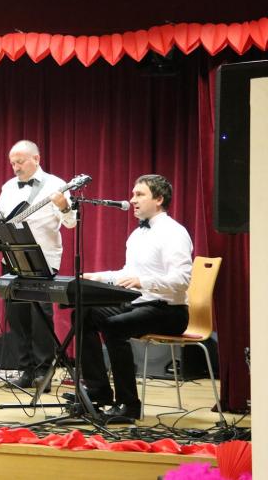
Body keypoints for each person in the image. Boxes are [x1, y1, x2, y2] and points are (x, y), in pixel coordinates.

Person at [80, 174, 192, 422]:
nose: (132, 200)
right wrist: (97, 277)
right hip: (139, 304)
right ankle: (99, 391)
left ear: (159, 199)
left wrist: (145, 281)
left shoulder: (174, 232)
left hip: (169, 311)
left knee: (114, 326)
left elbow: (182, 280)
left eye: (139, 195)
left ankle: (129, 404)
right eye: (133, 195)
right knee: (85, 313)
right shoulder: (136, 235)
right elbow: (127, 273)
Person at [0, 140, 76, 392]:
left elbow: (70, 222)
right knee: (17, 316)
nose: (15, 167)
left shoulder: (56, 185)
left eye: (20, 162)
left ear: (36, 159)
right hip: (12, 257)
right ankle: (26, 370)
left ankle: (43, 372)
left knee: (40, 317)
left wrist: (64, 206)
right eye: (12, 163)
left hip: (42, 259)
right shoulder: (9, 186)